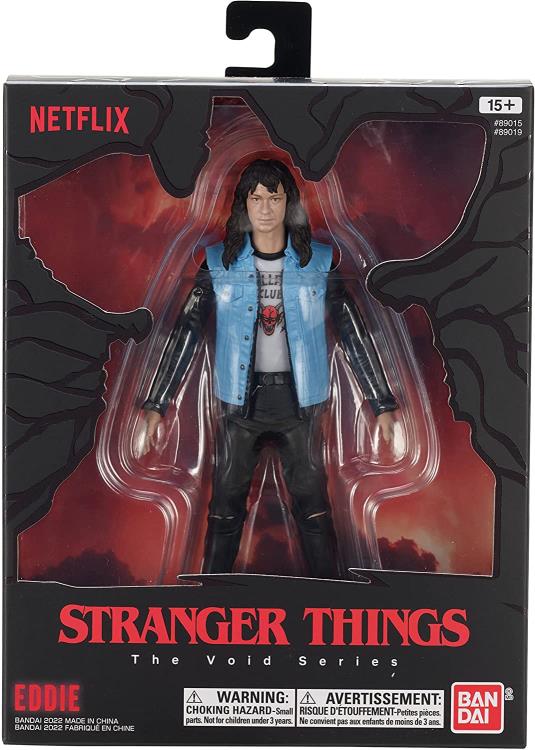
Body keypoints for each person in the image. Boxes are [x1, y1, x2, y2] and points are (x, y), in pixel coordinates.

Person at [141, 159, 398, 578]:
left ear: (288, 203)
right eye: (255, 198)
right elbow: (186, 330)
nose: (264, 208)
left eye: (274, 198)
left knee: (313, 506)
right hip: (238, 404)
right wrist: (157, 403)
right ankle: (211, 590)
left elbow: (353, 330)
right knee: (224, 507)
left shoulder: (319, 262)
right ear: (243, 204)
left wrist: (381, 403)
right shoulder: (218, 263)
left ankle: (330, 591)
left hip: (302, 403)